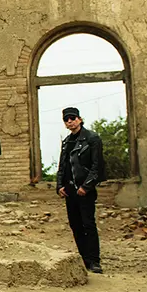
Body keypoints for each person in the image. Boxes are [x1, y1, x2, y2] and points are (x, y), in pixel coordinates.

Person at [56, 106, 104, 274]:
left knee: (88, 224)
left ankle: (94, 261)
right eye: (66, 119)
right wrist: (59, 185)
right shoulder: (67, 141)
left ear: (80, 119)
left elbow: (97, 167)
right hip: (70, 190)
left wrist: (86, 186)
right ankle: (84, 259)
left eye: (73, 118)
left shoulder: (92, 138)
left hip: (85, 190)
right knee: (75, 225)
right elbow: (62, 166)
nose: (70, 121)